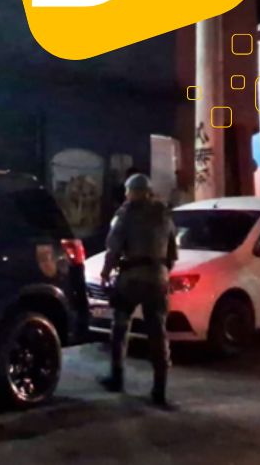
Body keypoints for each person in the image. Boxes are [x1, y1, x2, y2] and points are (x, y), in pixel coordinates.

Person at [99, 172, 178, 407]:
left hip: (131, 279)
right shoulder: (164, 215)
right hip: (158, 278)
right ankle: (159, 389)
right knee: (158, 333)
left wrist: (105, 273)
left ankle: (116, 377)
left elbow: (113, 249)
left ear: (131, 192)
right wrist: (161, 272)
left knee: (120, 326)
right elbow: (172, 254)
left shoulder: (125, 214)